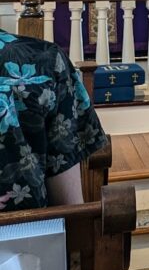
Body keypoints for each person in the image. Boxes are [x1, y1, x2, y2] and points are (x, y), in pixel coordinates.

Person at [0, 29, 107, 211]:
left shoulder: (45, 60)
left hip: (28, 233)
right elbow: (70, 209)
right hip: (28, 234)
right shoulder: (43, 59)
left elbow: (70, 208)